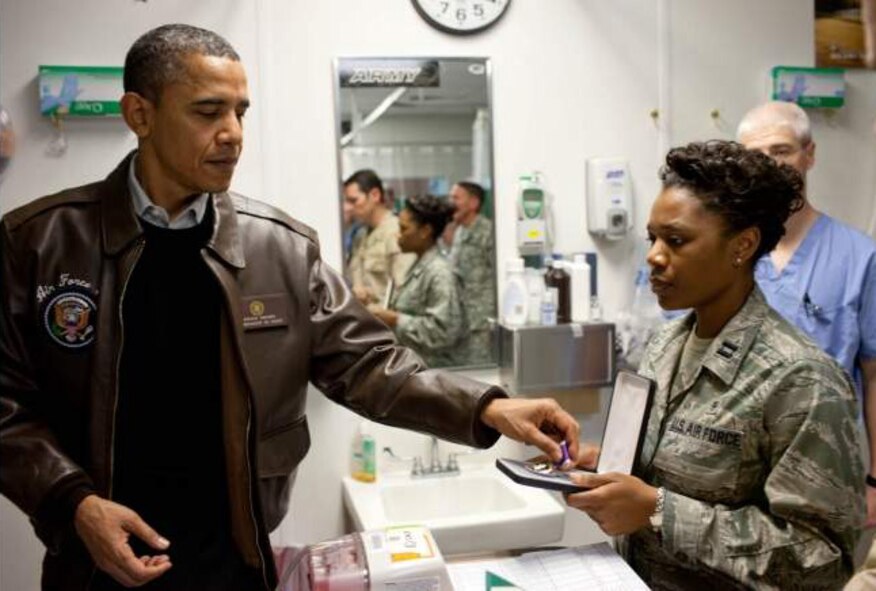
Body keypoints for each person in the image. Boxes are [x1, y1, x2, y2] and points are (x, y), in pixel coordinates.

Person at [0, 25, 581, 591]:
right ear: (140, 115)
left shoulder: (278, 248)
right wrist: (73, 504)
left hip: (236, 562)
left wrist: (488, 409)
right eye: (208, 112)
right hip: (95, 564)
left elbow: (368, 366)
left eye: (241, 112)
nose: (232, 133)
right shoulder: (39, 242)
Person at [566, 141, 864, 589]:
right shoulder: (665, 346)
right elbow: (664, 474)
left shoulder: (802, 380)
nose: (654, 256)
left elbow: (820, 560)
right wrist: (604, 466)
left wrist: (659, 511)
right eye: (653, 238)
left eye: (677, 240)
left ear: (743, 245)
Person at [737, 101, 876, 525]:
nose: (771, 165)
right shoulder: (729, 254)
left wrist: (875, 482)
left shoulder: (859, 257)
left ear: (809, 154)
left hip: (829, 467)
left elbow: (874, 374)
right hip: (739, 467)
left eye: (782, 150)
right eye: (756, 156)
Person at [368, 195, 469, 368]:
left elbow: (442, 333)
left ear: (425, 231)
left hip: (438, 376)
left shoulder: (440, 273)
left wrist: (395, 319)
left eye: (403, 228)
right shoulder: (420, 266)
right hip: (418, 372)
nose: (397, 234)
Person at [343, 169, 415, 306]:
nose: (348, 207)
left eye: (353, 200)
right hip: (364, 320)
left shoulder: (396, 232)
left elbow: (405, 291)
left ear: (375, 195)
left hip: (385, 322)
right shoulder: (360, 235)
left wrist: (369, 295)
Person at [448, 181, 496, 365]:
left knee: (481, 374)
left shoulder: (487, 231)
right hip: (461, 321)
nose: (451, 202)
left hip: (479, 323)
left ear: (474, 203)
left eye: (456, 198)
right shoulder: (460, 230)